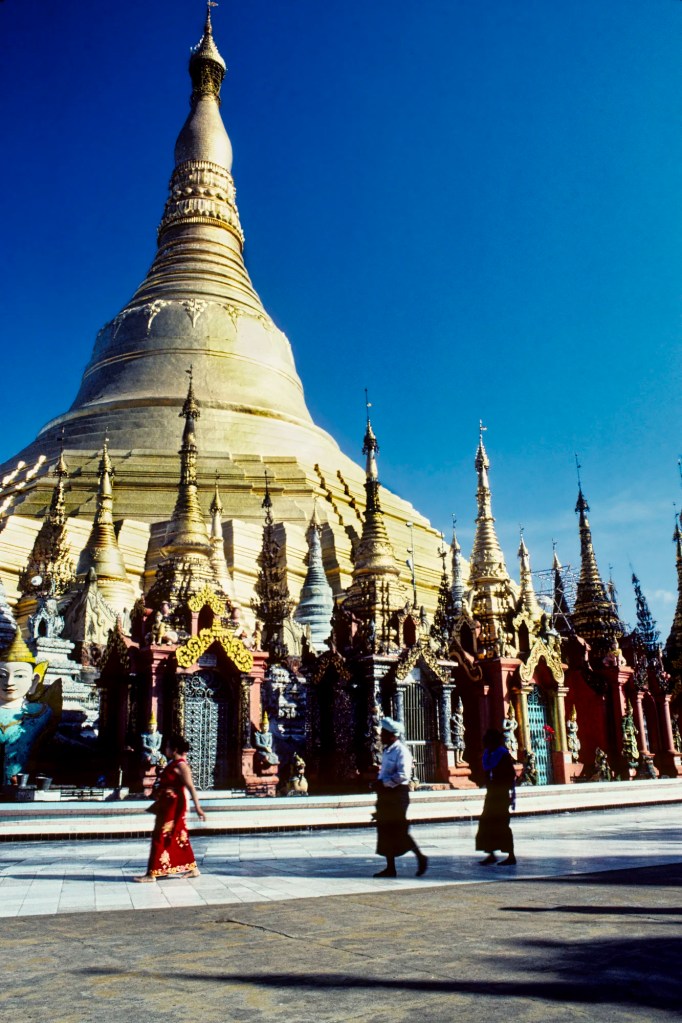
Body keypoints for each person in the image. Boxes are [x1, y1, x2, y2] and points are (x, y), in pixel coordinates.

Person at [134, 734, 206, 882]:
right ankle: (192, 868)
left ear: (174, 750)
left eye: (167, 747)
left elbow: (190, 787)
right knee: (179, 836)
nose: (165, 749)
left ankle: (152, 874)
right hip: (167, 804)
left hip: (174, 807)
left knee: (161, 836)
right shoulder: (172, 763)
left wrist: (198, 807)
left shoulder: (181, 765)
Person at [373, 717, 428, 878]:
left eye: (383, 733)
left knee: (398, 830)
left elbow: (403, 775)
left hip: (398, 795)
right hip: (387, 795)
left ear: (392, 735)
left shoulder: (401, 751)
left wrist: (384, 783)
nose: (380, 735)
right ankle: (390, 868)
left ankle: (420, 857)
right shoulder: (388, 750)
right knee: (385, 830)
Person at [475, 728, 517, 866]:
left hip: (501, 793)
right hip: (492, 793)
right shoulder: (488, 754)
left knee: (502, 824)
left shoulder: (502, 754)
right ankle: (491, 853)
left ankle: (511, 855)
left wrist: (511, 794)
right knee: (486, 822)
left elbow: (511, 775)